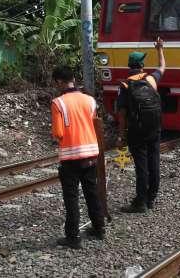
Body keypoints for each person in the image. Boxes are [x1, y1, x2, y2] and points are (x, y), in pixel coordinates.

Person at [51, 66, 105, 249]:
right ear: (73, 78)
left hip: (70, 157)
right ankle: (99, 228)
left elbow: (58, 133)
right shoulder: (90, 101)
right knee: (92, 193)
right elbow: (94, 123)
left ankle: (73, 237)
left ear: (59, 81)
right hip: (90, 154)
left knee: (71, 198)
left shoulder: (58, 103)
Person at [116, 38, 166, 213]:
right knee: (154, 162)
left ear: (130, 66)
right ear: (142, 66)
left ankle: (140, 202)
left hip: (136, 131)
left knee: (141, 166)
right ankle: (152, 197)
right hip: (154, 128)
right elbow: (162, 67)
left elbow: (121, 114)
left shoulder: (124, 85)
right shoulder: (151, 80)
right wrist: (160, 49)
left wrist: (121, 136)